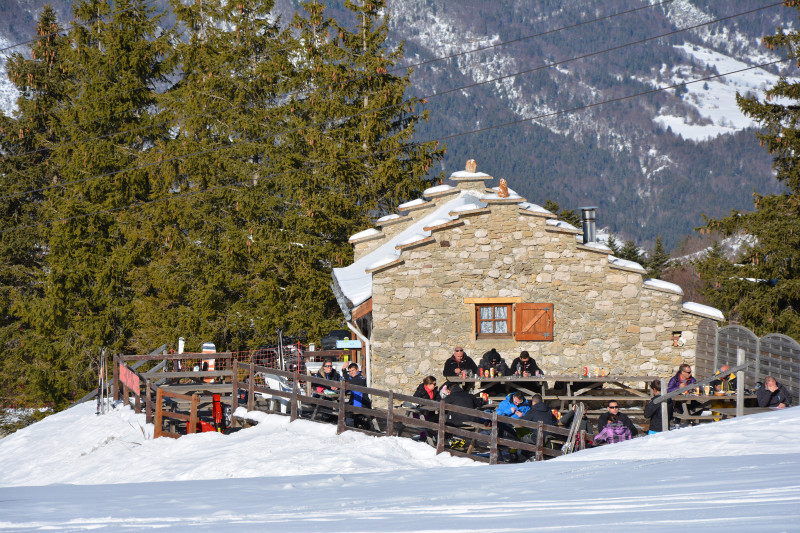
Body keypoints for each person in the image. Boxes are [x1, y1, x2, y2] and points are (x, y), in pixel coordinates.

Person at [344, 363, 372, 429]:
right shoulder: (353, 379)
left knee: (364, 424)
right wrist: (343, 369)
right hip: (355, 404)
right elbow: (348, 380)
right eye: (350, 371)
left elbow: (351, 382)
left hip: (362, 405)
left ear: (358, 370)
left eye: (353, 370)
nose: (351, 373)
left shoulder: (360, 378)